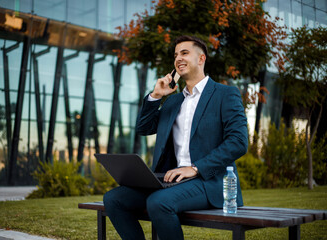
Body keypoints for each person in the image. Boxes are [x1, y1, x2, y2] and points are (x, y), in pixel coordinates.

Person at [103, 35, 248, 240]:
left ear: (201, 59)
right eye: (176, 55)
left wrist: (195, 168)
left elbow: (239, 142)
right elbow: (144, 128)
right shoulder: (172, 102)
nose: (178, 58)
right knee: (114, 198)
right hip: (170, 180)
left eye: (185, 53)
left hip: (207, 181)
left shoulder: (225, 94)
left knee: (158, 202)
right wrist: (156, 95)